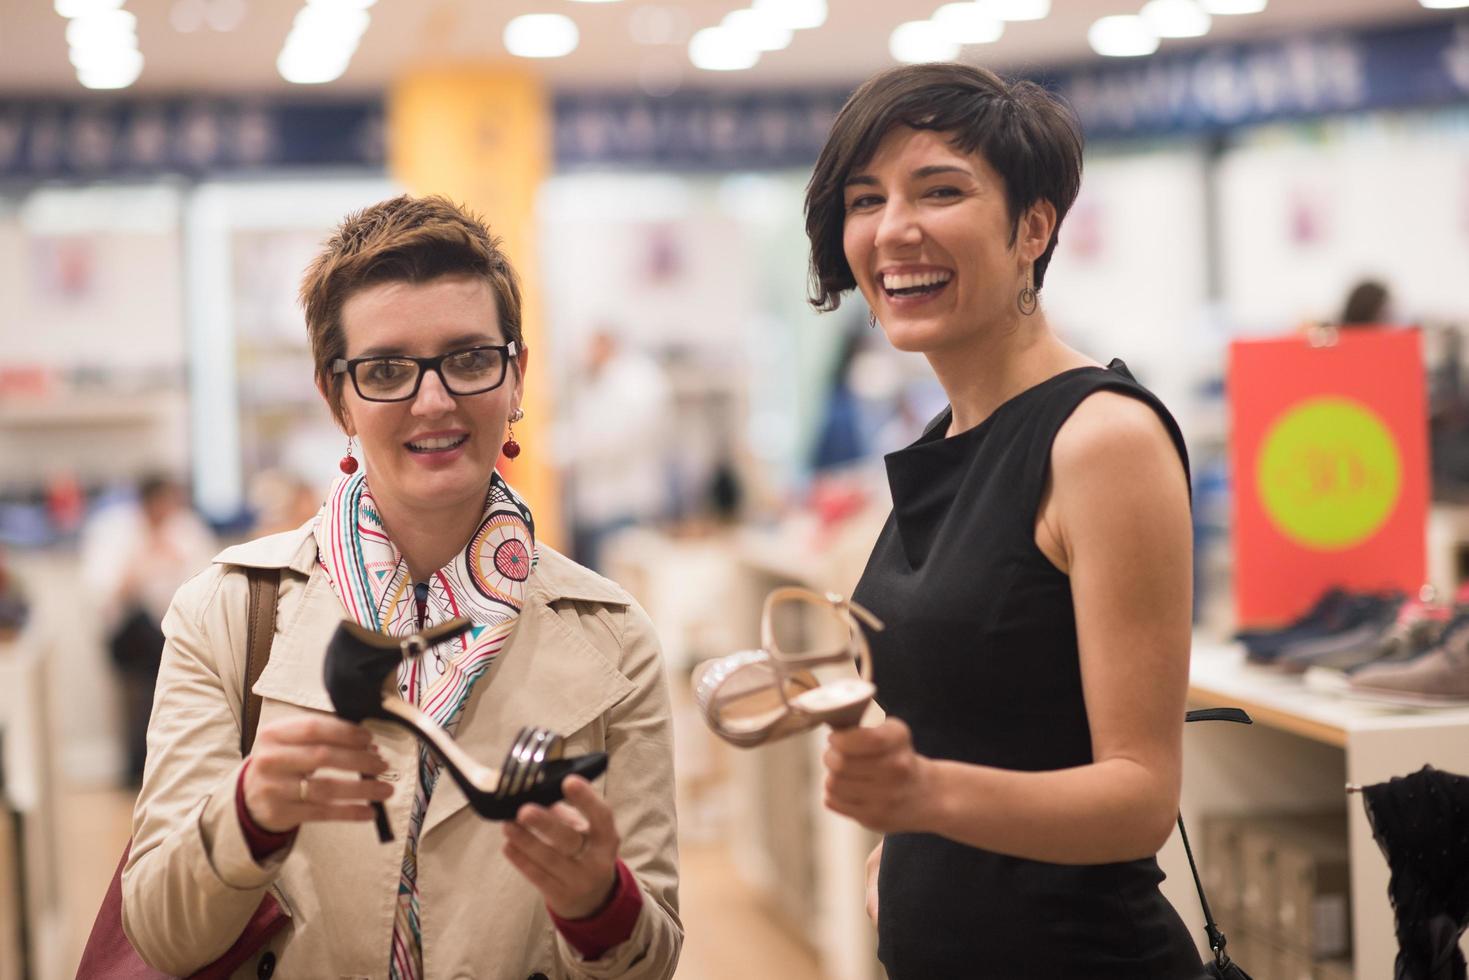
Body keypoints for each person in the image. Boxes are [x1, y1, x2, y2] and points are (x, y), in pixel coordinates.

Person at [122, 195, 682, 979]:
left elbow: (650, 959)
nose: (433, 400)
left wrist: (597, 902)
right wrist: (248, 815)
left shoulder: (612, 636)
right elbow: (159, 932)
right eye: (386, 369)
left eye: (469, 358)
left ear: (515, 375)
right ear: (336, 395)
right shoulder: (224, 613)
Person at [803, 64, 1203, 978]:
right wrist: (906, 855)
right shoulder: (950, 435)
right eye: (865, 200)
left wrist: (926, 800)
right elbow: (984, 728)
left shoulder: (1100, 438)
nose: (894, 228)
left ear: (1034, 225)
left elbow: (1140, 798)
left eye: (940, 190)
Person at [79, 472, 215, 785]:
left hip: (178, 629)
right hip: (130, 633)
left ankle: (174, 762)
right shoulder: (114, 531)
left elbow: (206, 584)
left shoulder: (187, 529)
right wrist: (143, 563)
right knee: (149, 644)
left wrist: (174, 559)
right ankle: (141, 766)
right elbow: (104, 595)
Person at [555, 328, 672, 572]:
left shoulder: (633, 383)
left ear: (605, 344)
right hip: (598, 507)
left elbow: (610, 439)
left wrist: (563, 450)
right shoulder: (601, 382)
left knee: (611, 589)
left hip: (622, 506)